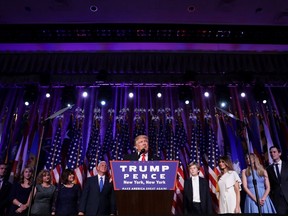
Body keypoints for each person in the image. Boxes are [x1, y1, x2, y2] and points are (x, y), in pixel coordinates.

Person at [266, 145, 288, 214]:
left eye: (274, 152)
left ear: (279, 153)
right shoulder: (268, 169)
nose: (272, 154)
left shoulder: (287, 165)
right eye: (271, 152)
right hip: (278, 200)